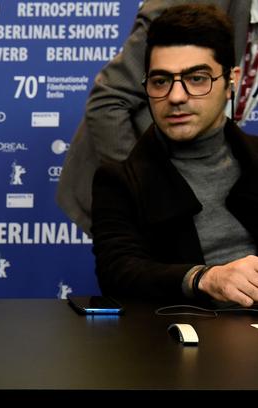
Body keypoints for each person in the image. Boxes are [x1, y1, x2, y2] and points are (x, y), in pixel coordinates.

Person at [92, 4, 258, 306]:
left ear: (231, 82)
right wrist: (204, 278)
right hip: (181, 343)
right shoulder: (118, 181)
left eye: (197, 79)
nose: (176, 96)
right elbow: (119, 274)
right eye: (161, 81)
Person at [56, 0, 250, 235]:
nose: (177, 95)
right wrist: (146, 188)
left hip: (206, 181)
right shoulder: (185, 4)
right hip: (146, 198)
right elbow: (108, 101)